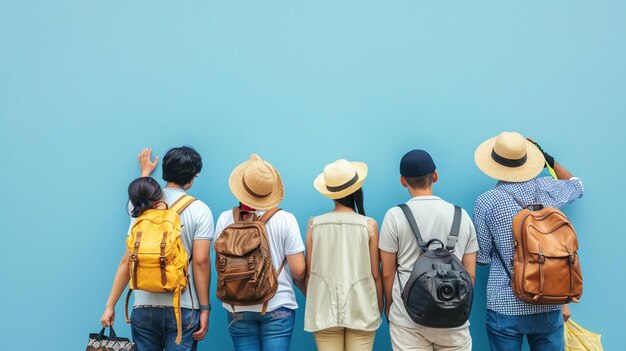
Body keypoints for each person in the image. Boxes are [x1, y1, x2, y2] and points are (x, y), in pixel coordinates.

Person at [472, 131, 584, 351]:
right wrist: (547, 159)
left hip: (504, 304)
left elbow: (482, 258)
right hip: (549, 299)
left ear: (494, 162)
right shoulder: (548, 189)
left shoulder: (485, 202)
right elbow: (577, 185)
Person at [101, 147, 214, 351]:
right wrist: (204, 308)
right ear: (192, 177)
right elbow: (200, 262)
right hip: (184, 307)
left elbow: (127, 261)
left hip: (144, 306)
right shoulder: (200, 210)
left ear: (164, 171)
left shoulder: (141, 205)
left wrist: (110, 305)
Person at [379, 149, 478, 351]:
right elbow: (470, 274)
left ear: (403, 181)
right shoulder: (462, 216)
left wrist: (390, 307)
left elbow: (387, 272)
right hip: (453, 319)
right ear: (435, 176)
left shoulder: (394, 216)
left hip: (407, 319)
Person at [214, 154, 306, 351]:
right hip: (277, 303)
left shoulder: (224, 219)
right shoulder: (286, 219)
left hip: (236, 306)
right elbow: (299, 271)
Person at [304, 159, 383, 351]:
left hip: (323, 309)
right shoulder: (369, 225)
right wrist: (379, 308)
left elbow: (309, 273)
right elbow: (376, 274)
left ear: (331, 193)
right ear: (357, 190)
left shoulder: (315, 224)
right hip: (362, 307)